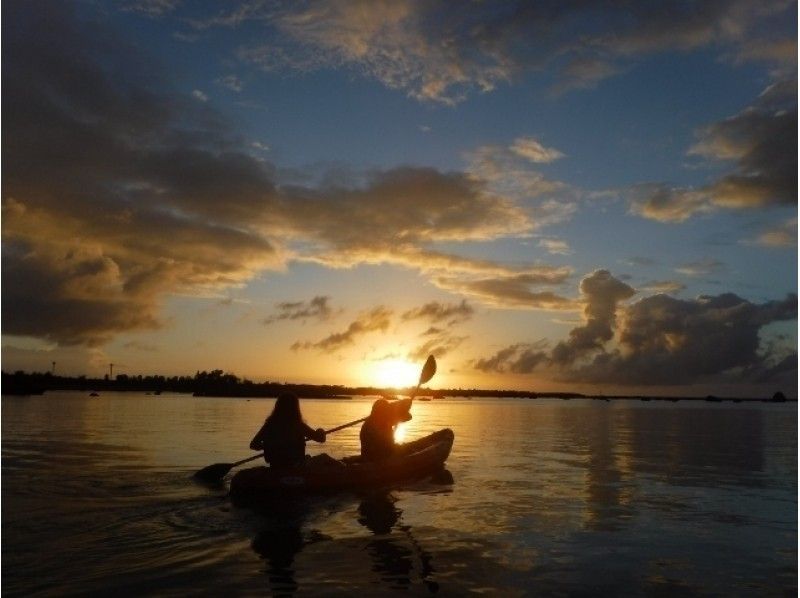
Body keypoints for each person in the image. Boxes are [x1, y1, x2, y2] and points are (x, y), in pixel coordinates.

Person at [250, 392, 332, 469]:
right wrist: (320, 431)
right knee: (324, 457)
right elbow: (320, 439)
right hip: (296, 466)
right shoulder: (297, 425)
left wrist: (269, 446)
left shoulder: (269, 425)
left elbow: (254, 444)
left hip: (275, 465)